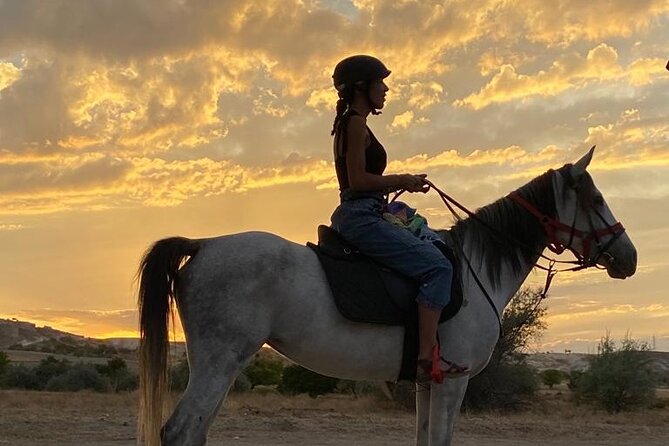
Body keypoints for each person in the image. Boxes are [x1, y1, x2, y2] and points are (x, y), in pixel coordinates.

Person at [328, 55, 469, 383]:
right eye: (380, 82)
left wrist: (399, 184)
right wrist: (400, 179)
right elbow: (358, 180)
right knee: (438, 267)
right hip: (362, 216)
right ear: (362, 86)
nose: (386, 88)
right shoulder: (355, 123)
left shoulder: (352, 121)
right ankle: (424, 357)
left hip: (370, 210)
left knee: (437, 243)